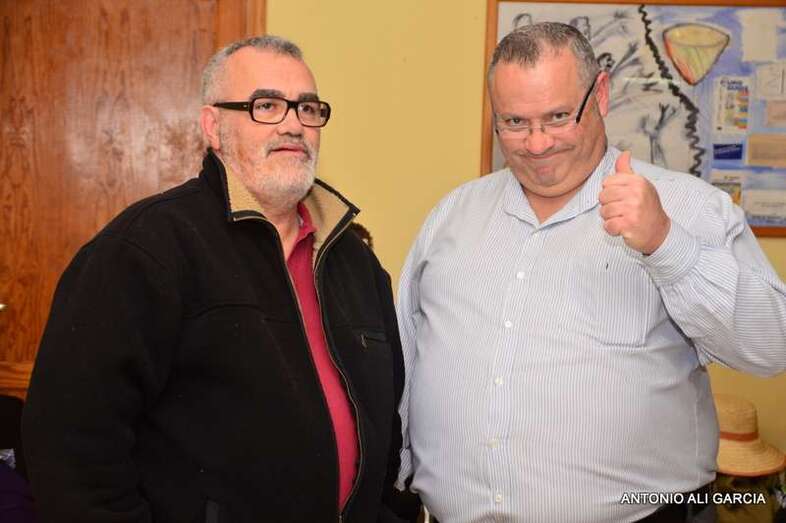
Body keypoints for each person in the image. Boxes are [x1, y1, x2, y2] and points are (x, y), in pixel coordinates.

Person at [396, 22, 786, 523]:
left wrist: (668, 244)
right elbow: (403, 360)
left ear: (600, 95)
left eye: (558, 117)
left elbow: (772, 347)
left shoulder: (688, 208)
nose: (537, 144)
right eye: (514, 122)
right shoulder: (452, 216)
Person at [23, 35, 417, 523]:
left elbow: (384, 433)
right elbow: (70, 448)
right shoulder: (145, 249)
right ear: (213, 126)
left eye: (307, 108)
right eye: (266, 106)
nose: (294, 124)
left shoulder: (356, 264)